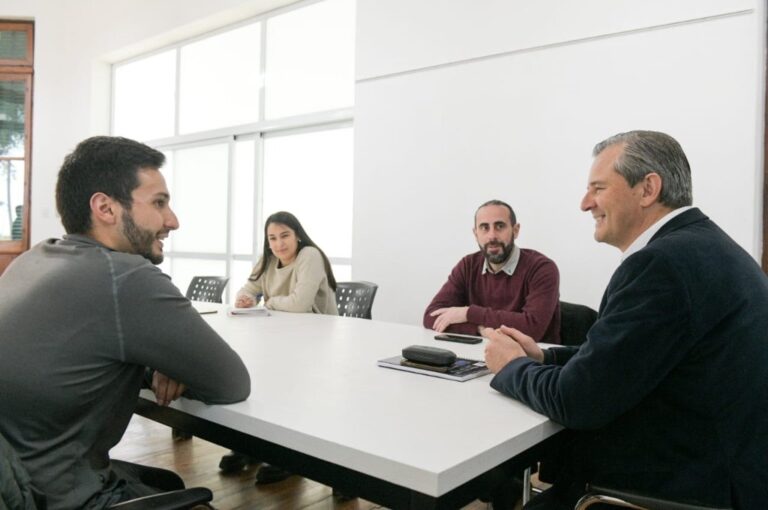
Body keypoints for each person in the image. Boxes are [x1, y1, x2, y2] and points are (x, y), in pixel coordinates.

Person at [484, 131, 768, 509]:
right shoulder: (702, 246)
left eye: (598, 188)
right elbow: (625, 360)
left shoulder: (660, 265)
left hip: (676, 490)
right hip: (727, 470)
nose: (585, 203)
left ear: (648, 188)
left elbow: (577, 400)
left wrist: (510, 366)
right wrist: (544, 358)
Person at [0, 136, 251, 509]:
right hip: (59, 497)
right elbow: (231, 383)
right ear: (105, 208)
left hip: (19, 477)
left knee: (166, 482)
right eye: (159, 203)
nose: (172, 220)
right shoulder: (125, 277)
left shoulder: (33, 259)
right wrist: (169, 362)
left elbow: (81, 351)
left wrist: (161, 360)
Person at [220, 210, 337, 484]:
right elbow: (248, 288)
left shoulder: (310, 255)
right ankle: (251, 446)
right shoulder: (268, 259)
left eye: (285, 236)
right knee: (257, 379)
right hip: (280, 335)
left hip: (317, 342)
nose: (279, 243)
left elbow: (300, 304)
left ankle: (288, 455)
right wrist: (246, 298)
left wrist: (268, 302)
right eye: (272, 238)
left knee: (286, 388)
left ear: (298, 236)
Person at [423, 199, 561, 342]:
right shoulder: (468, 266)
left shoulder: (542, 268)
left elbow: (532, 329)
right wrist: (479, 329)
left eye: (500, 226)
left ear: (515, 230)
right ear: (475, 234)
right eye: (484, 228)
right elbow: (431, 317)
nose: (492, 236)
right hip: (478, 351)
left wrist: (469, 313)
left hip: (532, 355)